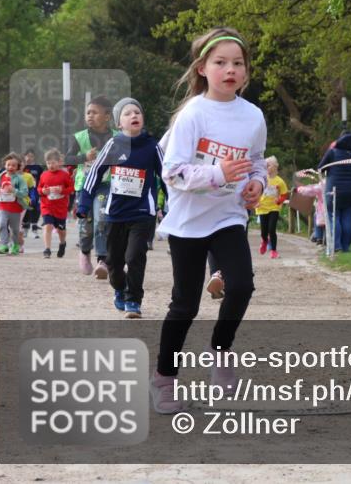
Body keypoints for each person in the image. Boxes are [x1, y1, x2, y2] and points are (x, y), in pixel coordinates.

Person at [150, 28, 267, 414]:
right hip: (187, 222)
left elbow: (257, 162)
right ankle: (164, 379)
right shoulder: (193, 115)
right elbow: (172, 173)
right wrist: (219, 173)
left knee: (242, 285)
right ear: (203, 68)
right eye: (220, 62)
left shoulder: (253, 116)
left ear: (247, 72)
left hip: (228, 216)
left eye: (238, 63)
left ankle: (221, 350)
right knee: (184, 304)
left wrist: (255, 183)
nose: (229, 69)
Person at [78, 98, 164, 319]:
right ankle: (119, 287)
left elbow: (167, 177)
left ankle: (133, 300)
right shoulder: (114, 145)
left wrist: (174, 205)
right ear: (119, 123)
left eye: (137, 112)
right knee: (114, 264)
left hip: (143, 213)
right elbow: (95, 173)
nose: (134, 115)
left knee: (135, 256)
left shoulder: (153, 146)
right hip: (115, 214)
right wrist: (84, 203)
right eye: (127, 113)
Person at [66, 96, 117, 277]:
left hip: (106, 183)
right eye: (88, 112)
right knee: (85, 224)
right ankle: (85, 251)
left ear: (107, 116)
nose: (90, 116)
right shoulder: (79, 137)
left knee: (102, 219)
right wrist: (84, 157)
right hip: (85, 185)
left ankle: (102, 260)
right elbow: (67, 159)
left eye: (94, 112)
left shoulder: (117, 137)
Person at [317, 133, 351, 253]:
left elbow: (320, 168)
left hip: (333, 190)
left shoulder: (333, 152)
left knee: (333, 217)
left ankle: (336, 246)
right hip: (350, 191)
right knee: (346, 219)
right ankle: (345, 247)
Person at [38, 148, 74, 258]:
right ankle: (47, 249)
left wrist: (62, 191)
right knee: (47, 225)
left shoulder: (64, 175)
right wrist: (43, 191)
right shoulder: (44, 175)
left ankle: (62, 243)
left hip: (60, 208)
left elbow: (72, 188)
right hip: (47, 206)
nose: (51, 165)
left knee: (60, 230)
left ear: (59, 162)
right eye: (48, 163)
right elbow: (39, 188)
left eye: (53, 162)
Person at [0, 153, 30, 255]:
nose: (10, 167)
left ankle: (15, 245)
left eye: (13, 165)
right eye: (8, 165)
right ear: (5, 165)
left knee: (15, 229)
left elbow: (25, 193)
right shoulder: (0, 177)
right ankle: (4, 245)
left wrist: (14, 190)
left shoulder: (20, 179)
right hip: (2, 206)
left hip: (15, 208)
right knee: (1, 224)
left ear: (18, 167)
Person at [255, 156, 288, 259]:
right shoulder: (262, 178)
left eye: (268, 165)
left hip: (274, 208)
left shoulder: (280, 181)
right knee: (264, 231)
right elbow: (256, 191)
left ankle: (274, 251)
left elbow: (284, 194)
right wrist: (255, 202)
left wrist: (279, 201)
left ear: (274, 167)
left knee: (271, 229)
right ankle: (264, 241)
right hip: (262, 208)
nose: (266, 167)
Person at [22, 150, 43, 239]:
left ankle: (35, 230)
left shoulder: (38, 167)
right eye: (27, 156)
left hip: (36, 191)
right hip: (25, 192)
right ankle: (25, 229)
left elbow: (42, 179)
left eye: (31, 156)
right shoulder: (22, 167)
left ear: (34, 157)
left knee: (36, 210)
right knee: (26, 210)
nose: (29, 158)